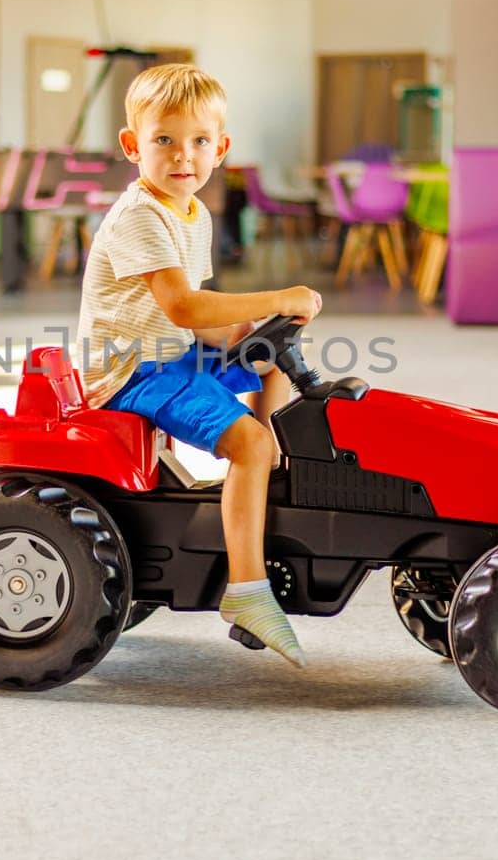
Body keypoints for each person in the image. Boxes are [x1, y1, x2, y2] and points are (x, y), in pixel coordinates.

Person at [76, 64, 322, 667]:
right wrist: (277, 298)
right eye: (163, 139)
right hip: (133, 369)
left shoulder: (192, 213)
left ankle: (270, 476)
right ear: (133, 146)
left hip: (171, 350)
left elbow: (204, 320)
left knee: (272, 364)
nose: (182, 155)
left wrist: (250, 333)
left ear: (221, 148)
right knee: (248, 444)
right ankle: (247, 590)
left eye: (199, 141)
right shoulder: (140, 215)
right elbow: (183, 306)